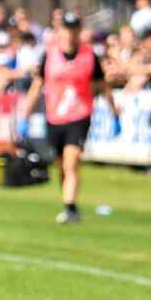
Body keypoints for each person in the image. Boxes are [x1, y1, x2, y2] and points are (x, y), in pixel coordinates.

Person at [18, 12, 121, 224]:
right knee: (61, 165)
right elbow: (37, 87)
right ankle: (68, 200)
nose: (70, 34)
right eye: (66, 29)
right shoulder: (49, 55)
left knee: (71, 162)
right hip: (54, 117)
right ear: (60, 31)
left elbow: (103, 86)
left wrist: (114, 113)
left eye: (74, 29)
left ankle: (71, 208)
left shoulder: (89, 55)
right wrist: (24, 117)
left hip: (80, 115)